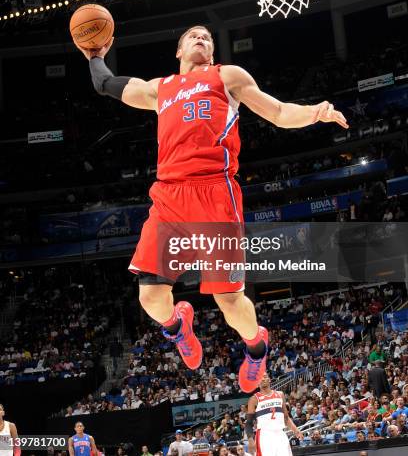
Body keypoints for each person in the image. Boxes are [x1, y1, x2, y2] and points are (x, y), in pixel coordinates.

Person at [78, 25, 348, 392]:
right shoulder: (160, 88)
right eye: (194, 35)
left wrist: (316, 112)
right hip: (170, 195)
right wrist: (94, 56)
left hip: (214, 194)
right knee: (150, 297)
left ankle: (257, 348)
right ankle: (178, 326)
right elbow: (106, 85)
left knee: (229, 300)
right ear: (178, 50)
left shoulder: (227, 76)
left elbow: (280, 112)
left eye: (207, 36)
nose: (202, 38)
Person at [244, 373, 303, 456]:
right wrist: (250, 440)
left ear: (269, 379)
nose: (263, 379)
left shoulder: (280, 394)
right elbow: (248, 423)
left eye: (265, 377)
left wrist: (296, 430)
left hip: (280, 433)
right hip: (264, 435)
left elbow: (286, 418)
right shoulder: (253, 399)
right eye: (260, 378)